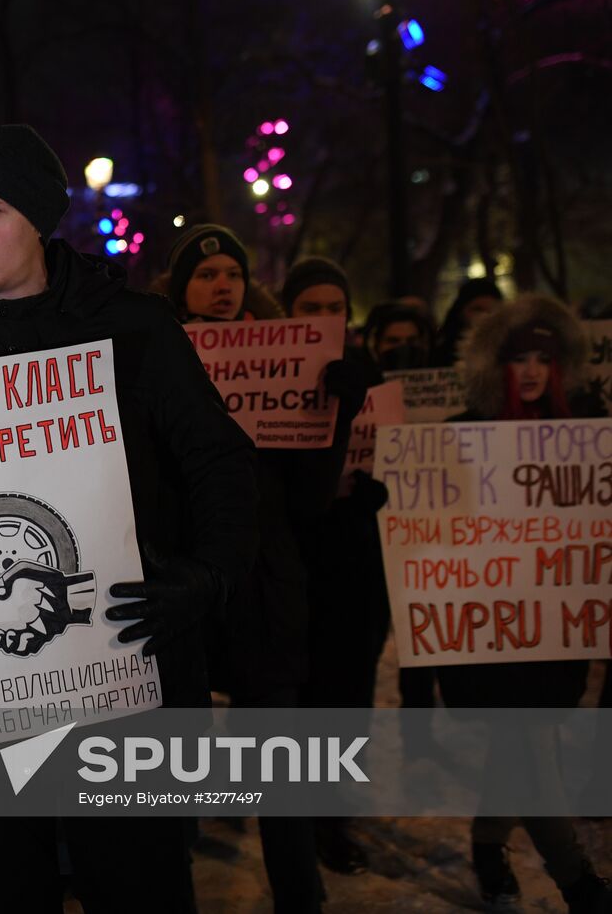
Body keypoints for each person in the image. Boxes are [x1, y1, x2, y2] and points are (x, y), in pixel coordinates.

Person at [0, 124, 259, 912]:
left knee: (140, 884)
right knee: (6, 887)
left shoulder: (135, 328)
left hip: (128, 667)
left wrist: (208, 577)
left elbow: (223, 466)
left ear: (40, 217)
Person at [171, 238, 366, 908]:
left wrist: (337, 413)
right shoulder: (155, 358)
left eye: (233, 273)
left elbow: (310, 498)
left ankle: (299, 895)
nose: (222, 284)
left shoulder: (287, 360)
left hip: (264, 591)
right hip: (185, 592)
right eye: (205, 273)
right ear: (181, 287)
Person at [441, 293, 610, 911]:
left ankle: (488, 842)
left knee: (521, 743)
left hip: (552, 627)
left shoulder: (584, 441)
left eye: (545, 357)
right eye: (519, 360)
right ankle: (579, 882)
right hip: (488, 631)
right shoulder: (461, 437)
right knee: (533, 744)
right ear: (498, 368)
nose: (533, 370)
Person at [281, 257, 392, 877]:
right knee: (301, 701)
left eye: (334, 308)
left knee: (349, 698)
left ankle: (334, 818)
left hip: (356, 567)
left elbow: (395, 463)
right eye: (310, 307)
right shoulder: (274, 380)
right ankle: (299, 819)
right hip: (300, 562)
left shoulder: (367, 374)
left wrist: (375, 489)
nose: (324, 319)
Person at [432, 277, 503, 368]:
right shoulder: (442, 353)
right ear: (461, 312)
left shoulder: (507, 349)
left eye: (492, 311)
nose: (485, 317)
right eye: (478, 310)